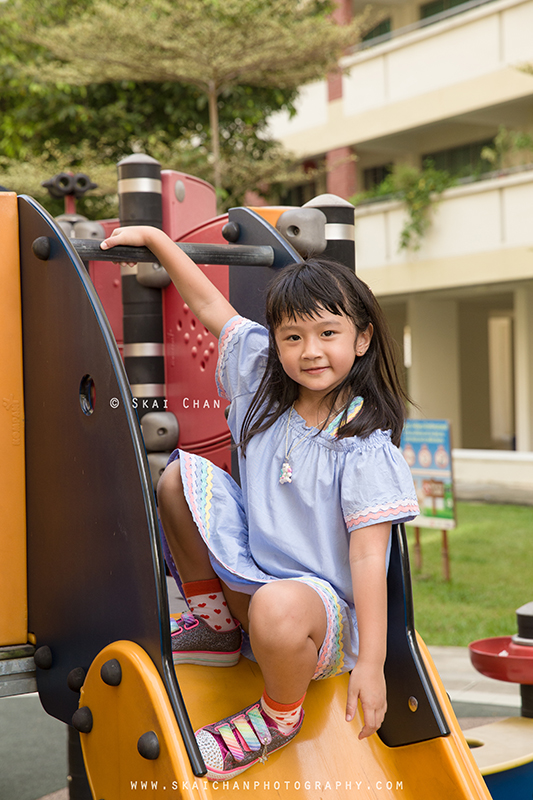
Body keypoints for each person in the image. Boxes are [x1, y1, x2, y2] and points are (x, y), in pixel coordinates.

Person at [101, 225, 419, 781]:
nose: (310, 351)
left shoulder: (363, 447)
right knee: (177, 480)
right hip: (249, 582)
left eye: (328, 333)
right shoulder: (259, 381)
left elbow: (370, 556)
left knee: (277, 605)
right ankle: (217, 627)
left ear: (362, 339)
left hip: (312, 621)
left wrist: (372, 664)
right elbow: (210, 306)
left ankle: (278, 716)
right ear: (275, 341)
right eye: (292, 337)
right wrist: (157, 241)